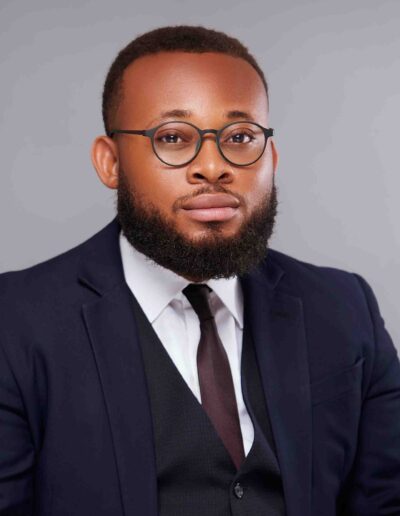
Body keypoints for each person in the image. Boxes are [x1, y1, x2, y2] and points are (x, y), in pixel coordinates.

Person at [0, 24, 399, 516]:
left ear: (271, 157)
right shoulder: (15, 323)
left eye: (240, 137)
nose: (213, 166)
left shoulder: (344, 307)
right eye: (172, 137)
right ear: (110, 162)